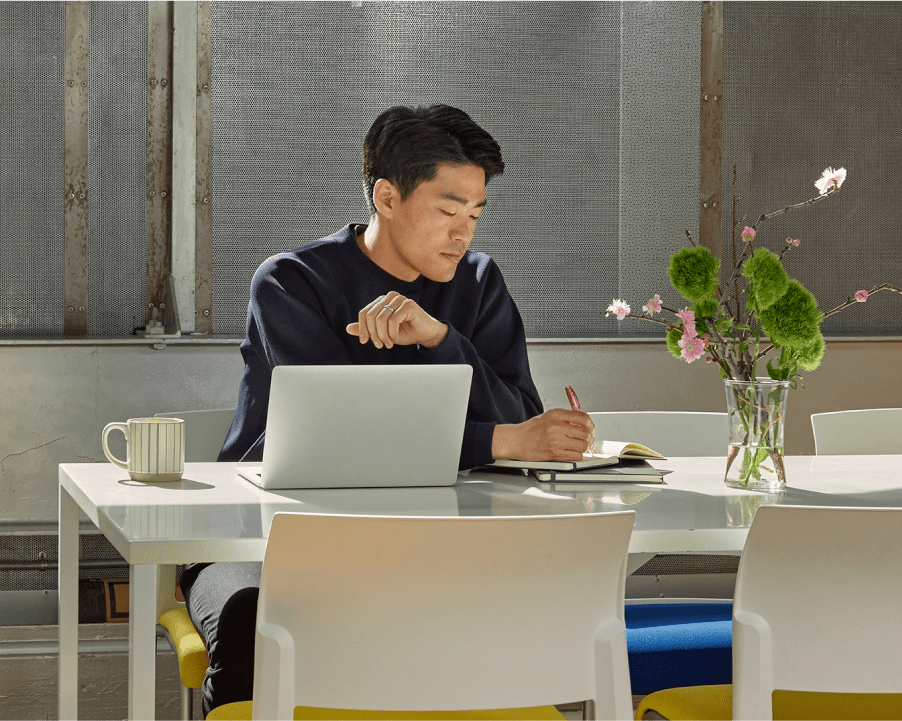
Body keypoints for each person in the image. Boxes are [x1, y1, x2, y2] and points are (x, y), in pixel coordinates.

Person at [180, 104, 595, 716]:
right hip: (265, 536)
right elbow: (345, 441)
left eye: (476, 214)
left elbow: (519, 411)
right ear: (387, 197)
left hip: (426, 539)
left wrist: (440, 340)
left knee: (518, 618)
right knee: (253, 620)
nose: (465, 233)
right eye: (449, 211)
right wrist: (498, 443)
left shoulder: (478, 283)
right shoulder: (291, 282)